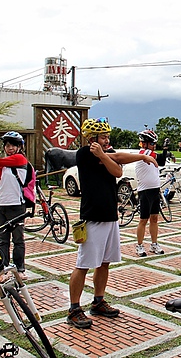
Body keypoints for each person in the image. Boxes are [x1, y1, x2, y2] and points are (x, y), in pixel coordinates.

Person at [67, 117, 157, 329]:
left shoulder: (104, 153)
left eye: (108, 136)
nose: (107, 140)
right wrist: (104, 155)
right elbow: (117, 168)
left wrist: (140, 157)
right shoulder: (84, 154)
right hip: (93, 217)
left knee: (105, 262)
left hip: (110, 216)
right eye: (103, 136)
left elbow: (117, 161)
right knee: (84, 264)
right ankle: (73, 309)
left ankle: (98, 301)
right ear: (92, 138)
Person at [0, 131, 30, 280]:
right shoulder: (3, 162)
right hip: (0, 203)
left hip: (16, 204)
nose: (10, 148)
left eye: (13, 145)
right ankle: (3, 269)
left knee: (18, 239)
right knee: (3, 240)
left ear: (19, 147)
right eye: (7, 145)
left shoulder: (20, 159)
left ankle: (20, 268)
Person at [133, 129, 167, 257]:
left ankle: (154, 244)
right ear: (145, 143)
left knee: (154, 218)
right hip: (145, 191)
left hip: (154, 190)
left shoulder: (150, 153)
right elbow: (162, 159)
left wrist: (164, 148)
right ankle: (139, 245)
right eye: (152, 144)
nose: (154, 146)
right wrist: (164, 149)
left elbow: (161, 161)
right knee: (143, 219)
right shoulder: (143, 153)